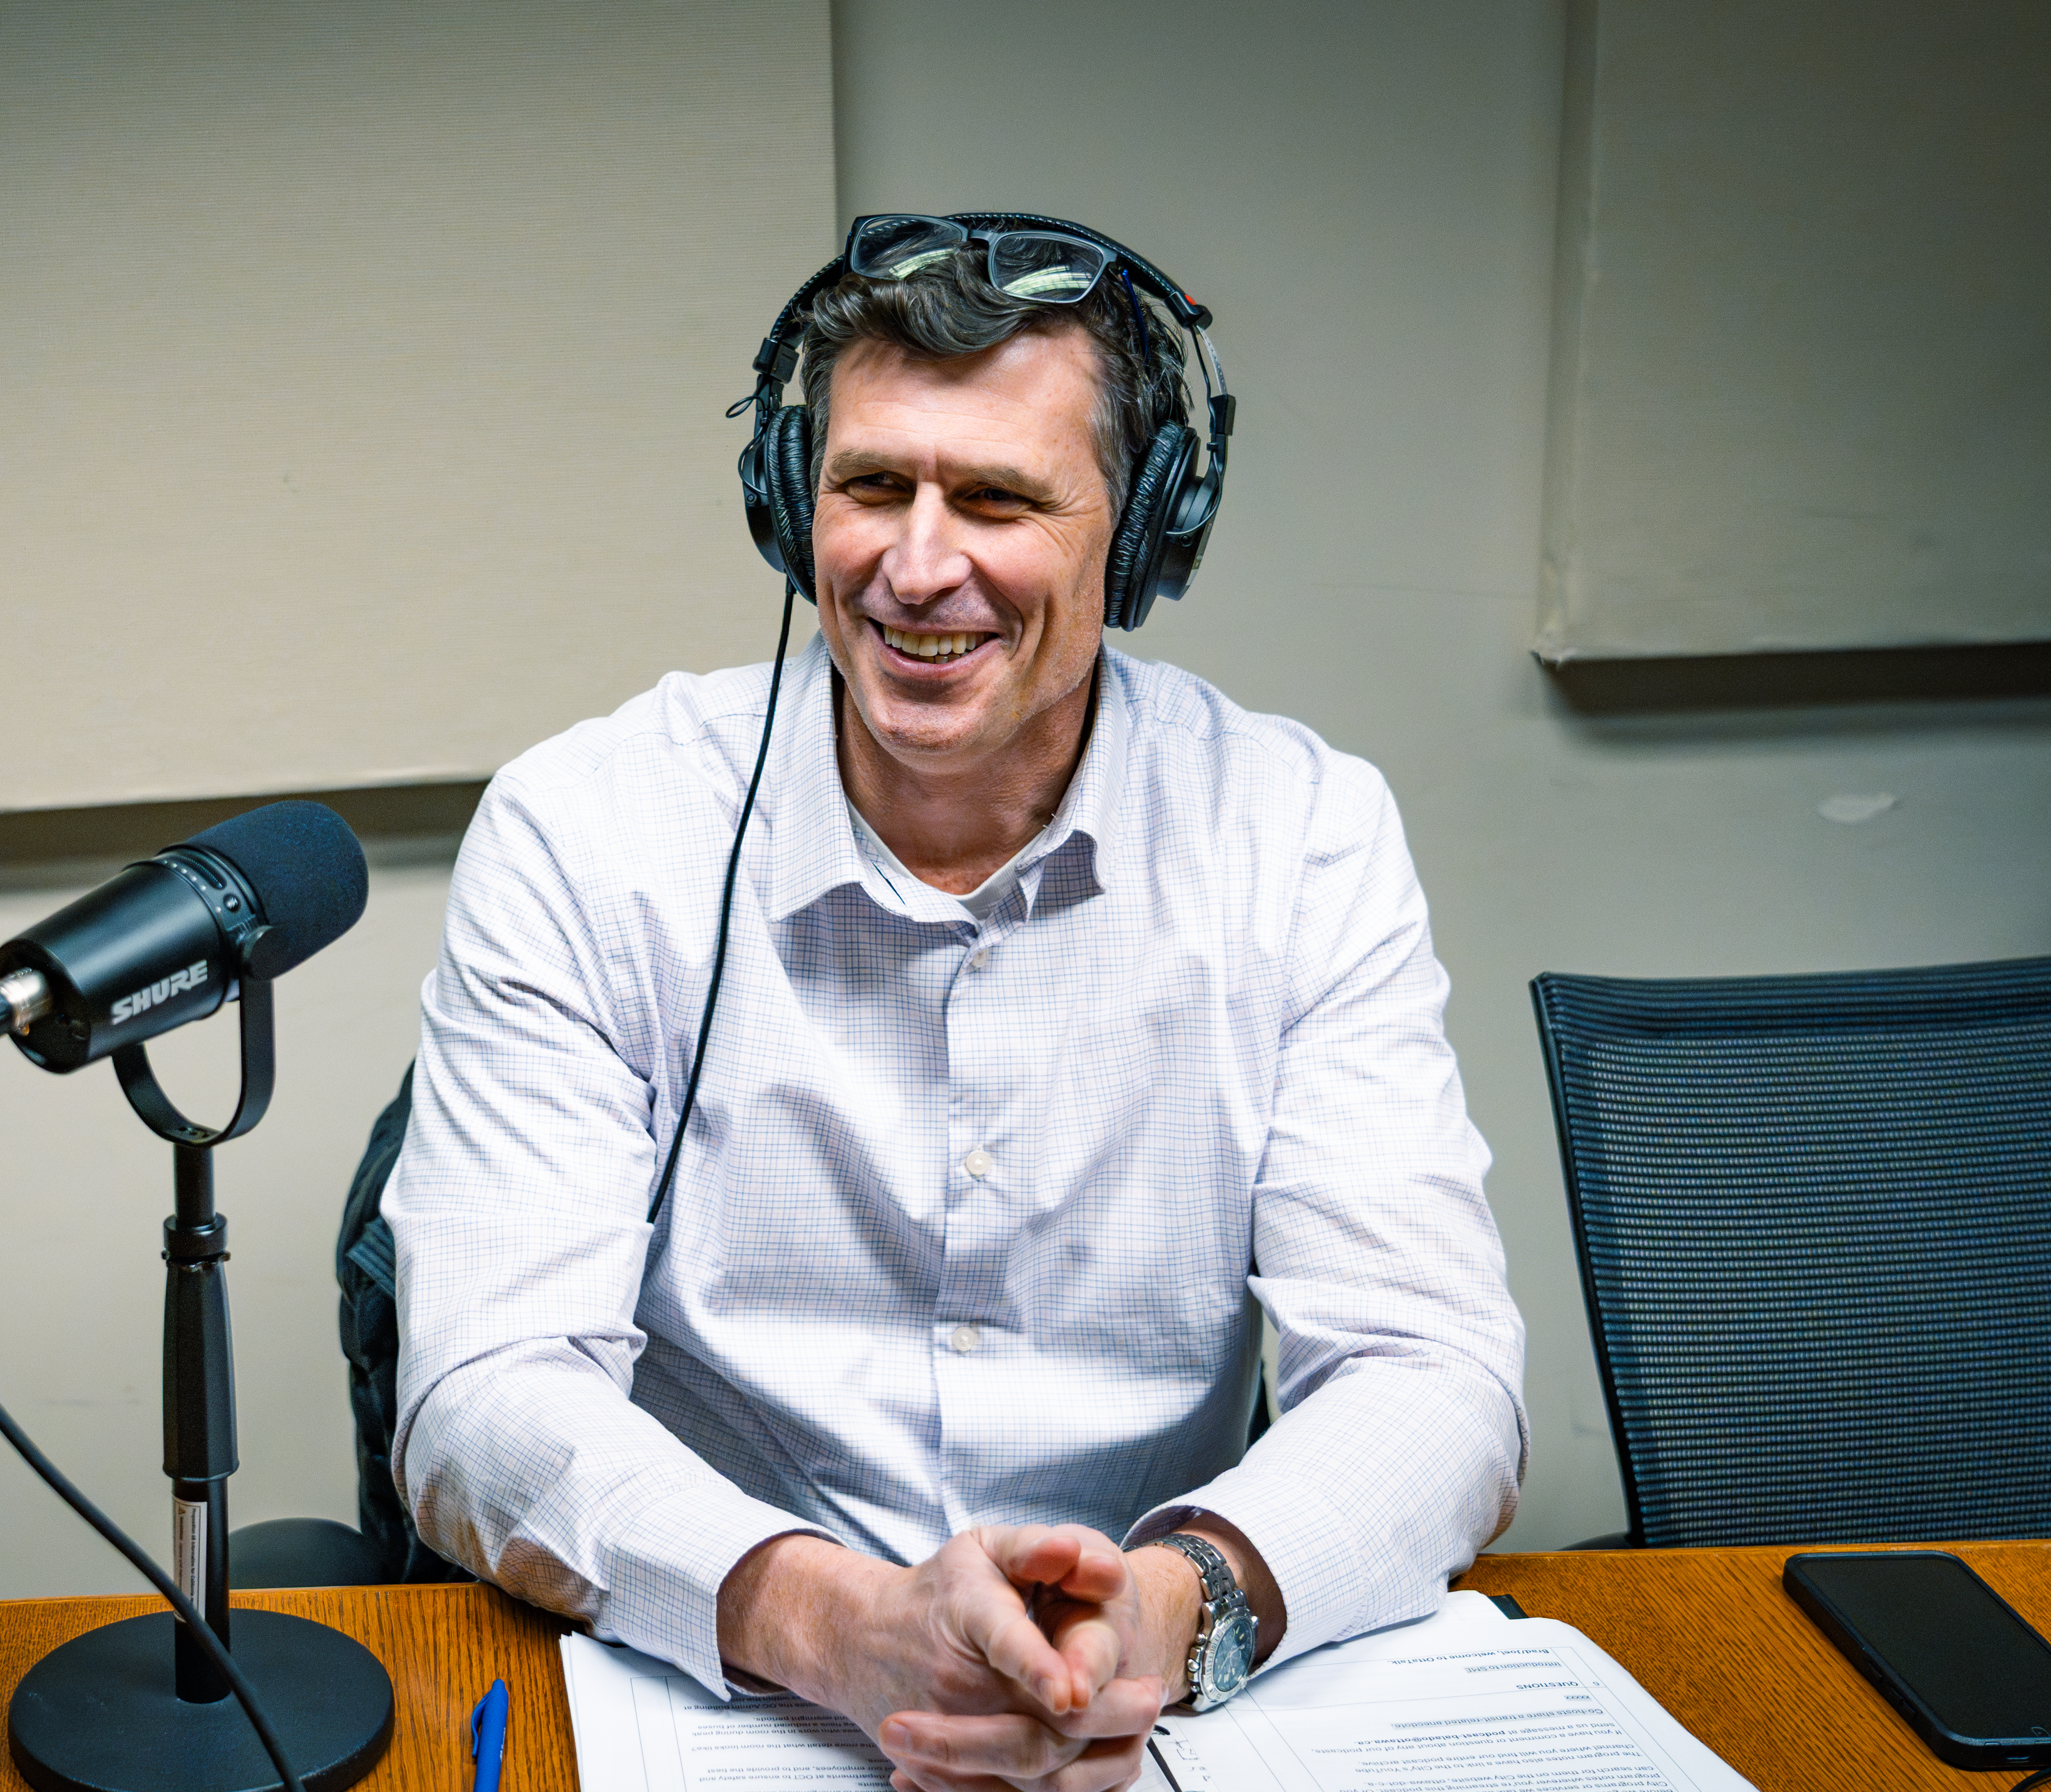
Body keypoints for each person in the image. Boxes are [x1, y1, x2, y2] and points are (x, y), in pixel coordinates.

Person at [383, 213, 1527, 1792]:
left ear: (1139, 534)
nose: (917, 568)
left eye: (997, 498)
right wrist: (837, 1623)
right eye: (871, 487)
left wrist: (1164, 1618)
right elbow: (478, 1391)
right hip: (726, 1696)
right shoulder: (590, 827)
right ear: (791, 504)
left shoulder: (1300, 831)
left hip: (1136, 1711)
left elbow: (1431, 1372)